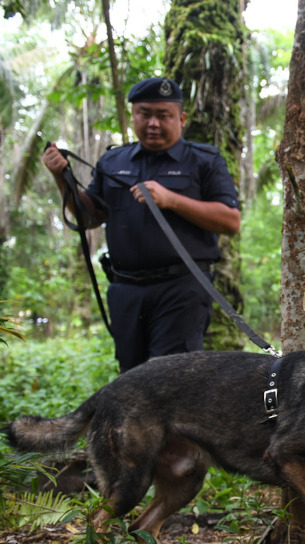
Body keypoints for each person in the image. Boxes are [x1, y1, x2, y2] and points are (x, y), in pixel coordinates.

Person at [42, 77, 241, 373]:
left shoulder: (203, 160)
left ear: (181, 118)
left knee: (170, 379)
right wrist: (62, 177)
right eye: (144, 114)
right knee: (131, 381)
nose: (153, 123)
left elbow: (230, 220)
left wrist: (171, 199)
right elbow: (88, 218)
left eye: (163, 116)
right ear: (133, 115)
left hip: (181, 289)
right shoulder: (112, 160)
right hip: (126, 290)